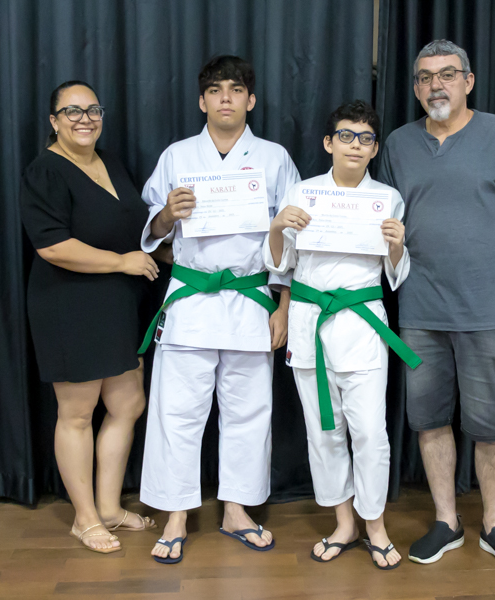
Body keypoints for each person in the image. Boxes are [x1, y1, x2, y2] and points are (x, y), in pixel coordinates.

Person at [379, 40, 495, 572]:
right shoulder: (398, 144)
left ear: (468, 81)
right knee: (429, 420)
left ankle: (494, 525)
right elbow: (381, 221)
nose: (436, 85)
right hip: (419, 312)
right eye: (425, 77)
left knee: (492, 424)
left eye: (448, 74)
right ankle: (446, 521)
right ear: (415, 87)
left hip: (490, 313)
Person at [138, 56, 300, 564]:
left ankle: (236, 509)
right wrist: (168, 214)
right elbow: (153, 228)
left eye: (235, 89)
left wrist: (284, 305)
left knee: (248, 411)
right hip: (191, 297)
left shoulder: (274, 158)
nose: (225, 97)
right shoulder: (177, 156)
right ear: (202, 100)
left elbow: (291, 237)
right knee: (176, 412)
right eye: (215, 89)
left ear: (250, 100)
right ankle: (176, 515)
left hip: (251, 299)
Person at [265, 100, 418, 570]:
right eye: (346, 136)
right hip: (310, 321)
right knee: (323, 432)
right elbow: (280, 263)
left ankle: (376, 524)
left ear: (374, 149)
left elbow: (396, 274)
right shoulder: (303, 192)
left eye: (365, 138)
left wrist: (397, 245)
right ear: (329, 143)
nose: (356, 145)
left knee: (370, 432)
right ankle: (344, 523)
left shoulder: (387, 198)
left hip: (362, 323)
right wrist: (277, 226)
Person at [19, 81, 161, 553]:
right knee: (77, 414)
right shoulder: (45, 171)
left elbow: (132, 224)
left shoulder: (109, 161)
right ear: (54, 120)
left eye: (93, 110)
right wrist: (122, 262)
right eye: (72, 111)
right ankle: (84, 518)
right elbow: (53, 246)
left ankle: (109, 507)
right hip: (69, 304)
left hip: (119, 302)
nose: (85, 118)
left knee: (128, 404)